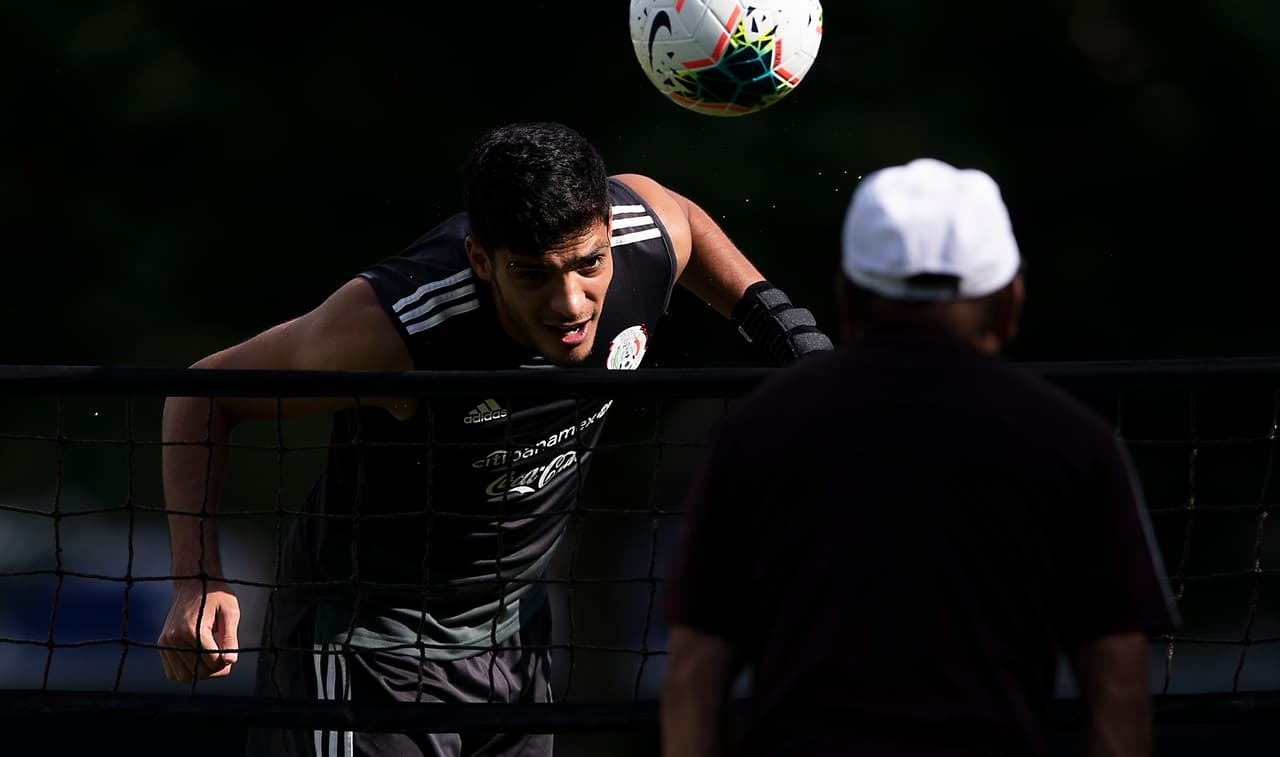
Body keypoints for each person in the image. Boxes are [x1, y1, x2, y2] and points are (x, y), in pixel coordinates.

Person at [155, 120, 832, 756]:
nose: (570, 303)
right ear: (482, 258)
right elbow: (202, 393)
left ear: (607, 233)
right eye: (534, 274)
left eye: (589, 264)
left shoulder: (643, 234)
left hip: (516, 635)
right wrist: (197, 580)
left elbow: (679, 213)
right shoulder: (390, 330)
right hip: (368, 644)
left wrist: (783, 326)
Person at [660, 157, 1181, 757]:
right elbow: (1118, 687)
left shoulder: (755, 432)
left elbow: (695, 675)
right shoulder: (1074, 440)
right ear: (1010, 301)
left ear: (847, 300)